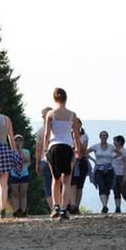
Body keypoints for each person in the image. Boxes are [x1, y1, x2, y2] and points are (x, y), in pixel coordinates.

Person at [43, 88, 82, 220]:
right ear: (66, 98)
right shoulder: (72, 115)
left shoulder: (50, 114)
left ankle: (56, 206)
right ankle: (64, 210)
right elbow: (76, 135)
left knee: (55, 179)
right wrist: (77, 150)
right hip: (67, 147)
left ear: (54, 99)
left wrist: (45, 150)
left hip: (53, 147)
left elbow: (46, 134)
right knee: (67, 180)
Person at [86, 131, 119, 213]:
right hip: (99, 169)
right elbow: (86, 152)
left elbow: (119, 153)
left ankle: (105, 204)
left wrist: (112, 158)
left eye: (105, 136)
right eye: (102, 136)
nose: (103, 137)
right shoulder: (96, 146)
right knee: (101, 186)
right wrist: (93, 160)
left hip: (109, 169)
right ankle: (104, 205)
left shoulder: (111, 147)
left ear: (107, 137)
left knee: (107, 187)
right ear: (100, 137)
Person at [35, 107, 54, 211]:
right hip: (56, 160)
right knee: (58, 184)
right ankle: (59, 206)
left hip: (44, 160)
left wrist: (37, 163)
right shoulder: (56, 128)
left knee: (48, 185)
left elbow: (38, 149)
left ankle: (52, 207)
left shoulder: (40, 130)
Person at [69, 118, 89, 215]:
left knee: (79, 186)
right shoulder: (68, 135)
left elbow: (84, 149)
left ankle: (77, 205)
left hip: (81, 161)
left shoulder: (84, 136)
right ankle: (71, 205)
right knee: (72, 184)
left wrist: (77, 138)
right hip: (72, 161)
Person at [9, 134, 31, 217]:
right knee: (14, 193)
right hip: (14, 173)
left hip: (24, 174)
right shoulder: (10, 152)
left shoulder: (26, 151)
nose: (18, 142)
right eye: (16, 140)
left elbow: (27, 159)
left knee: (23, 193)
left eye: (20, 140)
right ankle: (16, 210)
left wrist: (20, 150)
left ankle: (24, 210)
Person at [112, 135, 126, 213]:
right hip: (114, 174)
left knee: (124, 191)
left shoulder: (125, 152)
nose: (113, 143)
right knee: (116, 191)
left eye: (115, 141)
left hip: (122, 173)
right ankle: (117, 207)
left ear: (119, 142)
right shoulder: (113, 151)